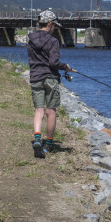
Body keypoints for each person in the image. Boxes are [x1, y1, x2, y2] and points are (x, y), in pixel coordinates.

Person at [26, 10, 71, 158]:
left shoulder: (30, 39)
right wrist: (65, 67)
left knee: (39, 110)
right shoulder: (53, 41)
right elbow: (53, 62)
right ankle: (49, 144)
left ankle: (37, 139)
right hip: (50, 78)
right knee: (51, 111)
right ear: (50, 24)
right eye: (54, 26)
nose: (55, 29)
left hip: (35, 77)